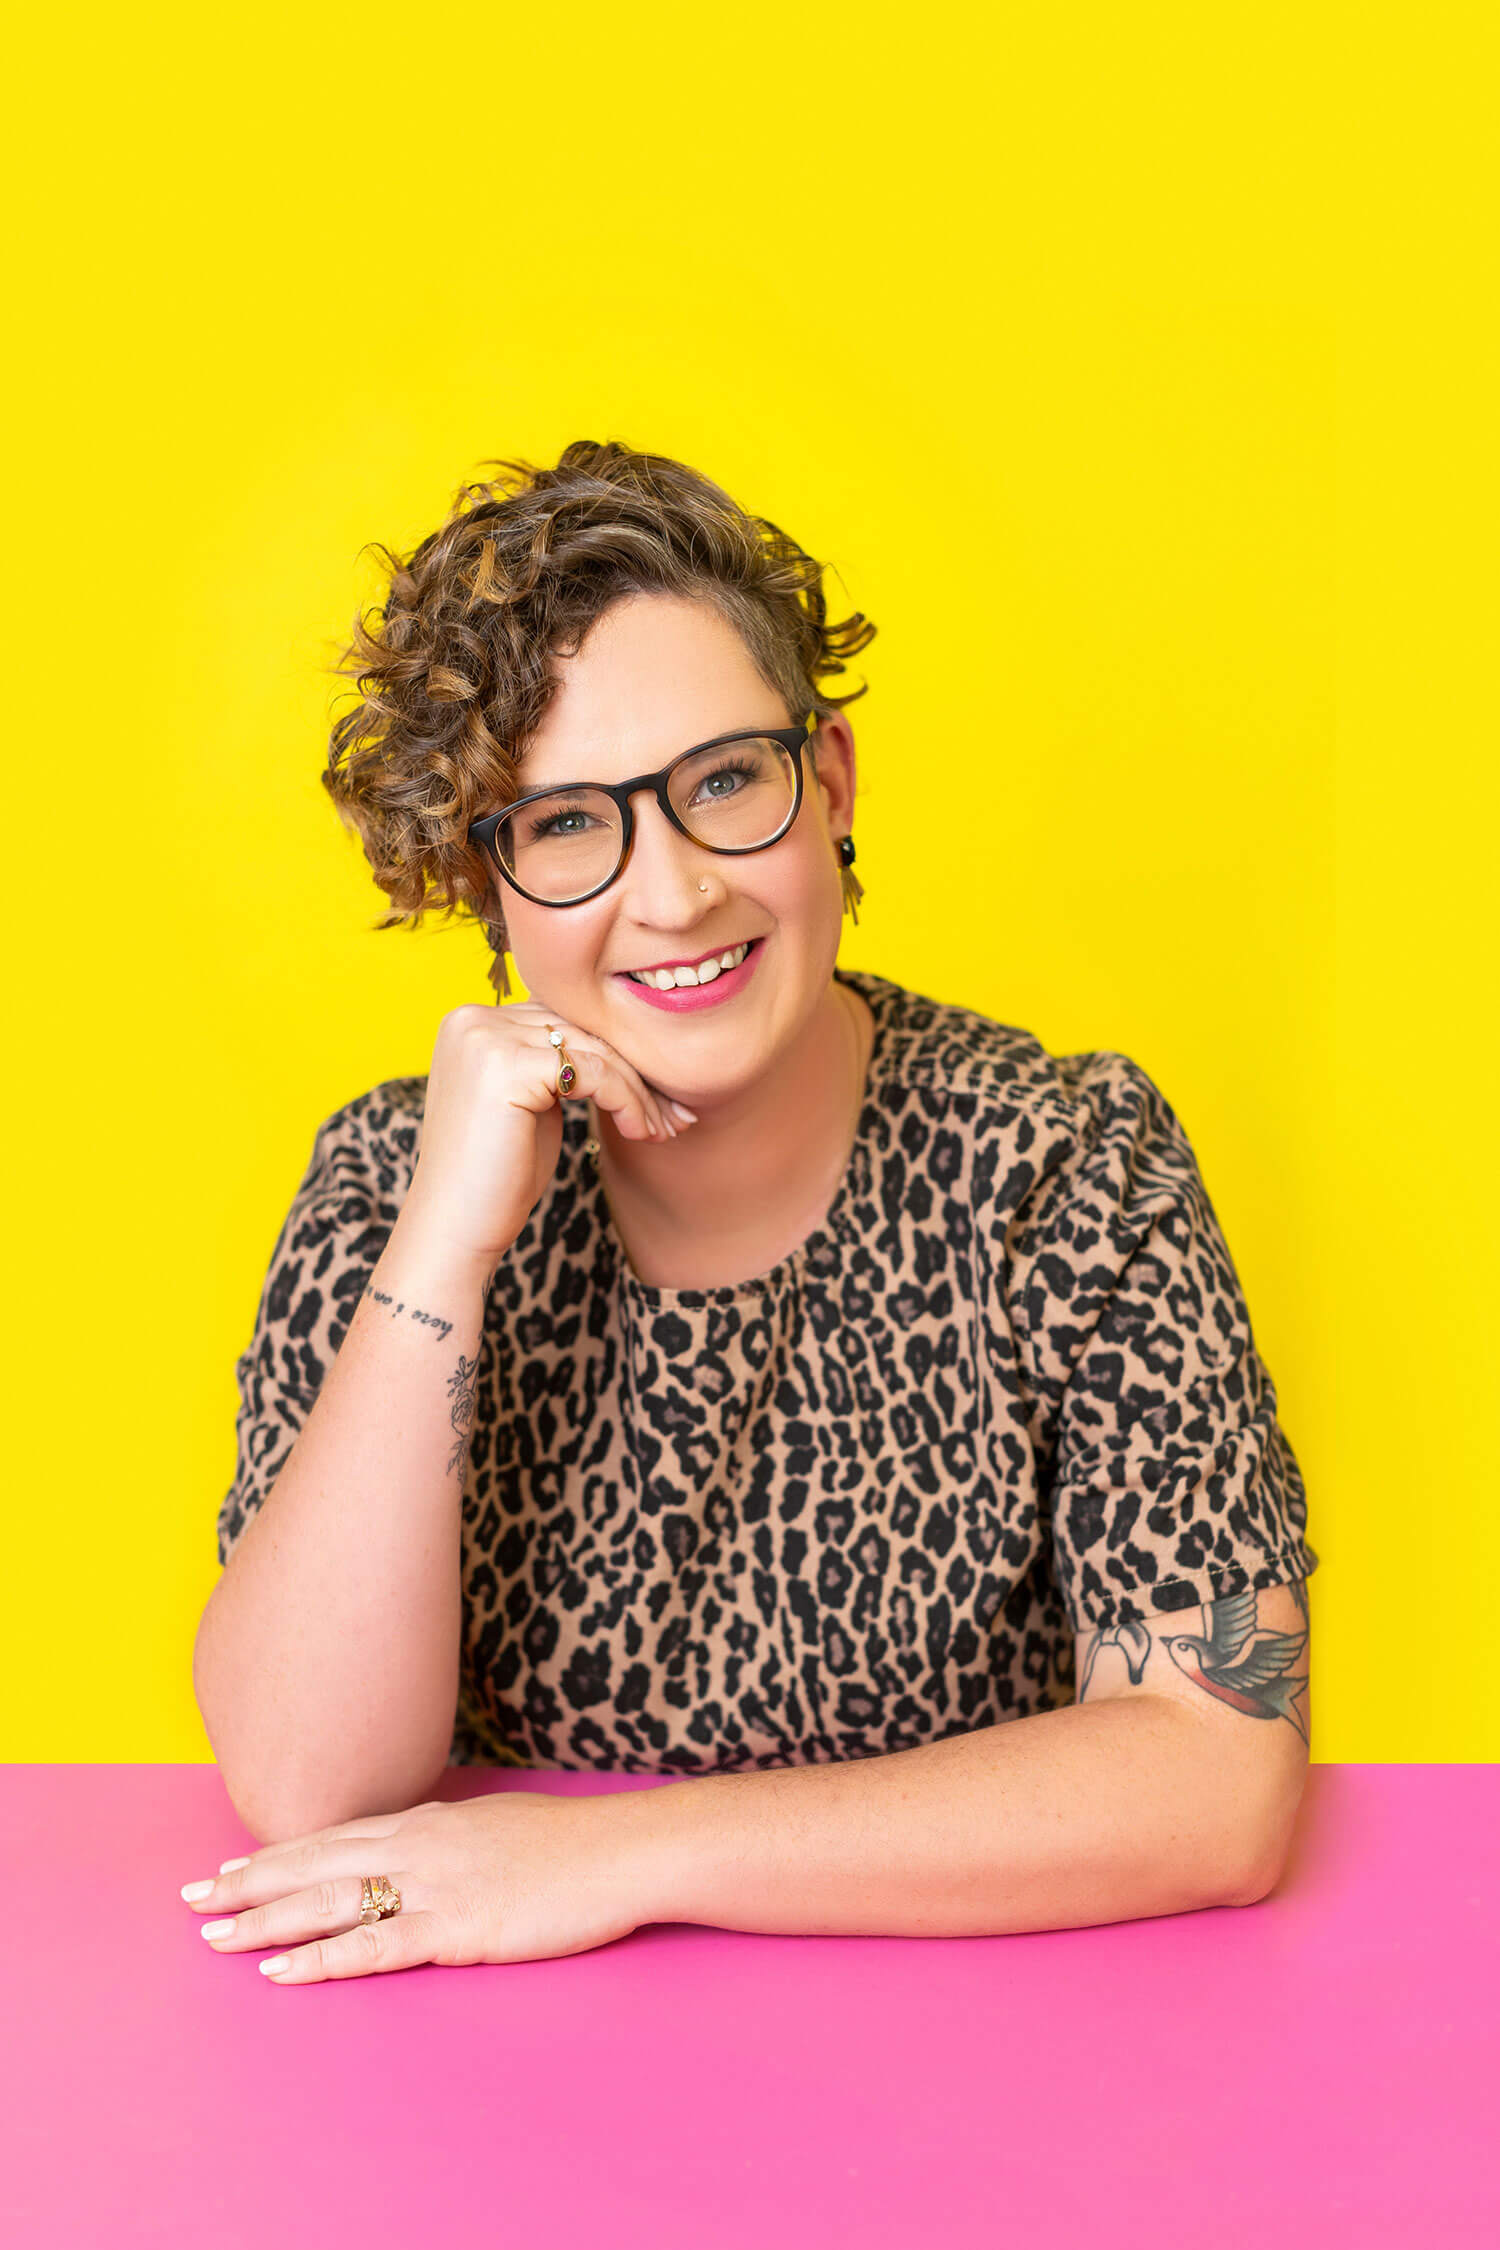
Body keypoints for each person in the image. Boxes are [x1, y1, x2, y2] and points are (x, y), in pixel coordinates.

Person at [190, 439, 1319, 1965]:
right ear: (491, 885)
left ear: (829, 781)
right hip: (495, 2109)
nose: (673, 895)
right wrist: (443, 1252)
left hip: (970, 2084)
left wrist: (609, 1856)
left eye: (726, 782)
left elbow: (1215, 1778)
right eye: (572, 823)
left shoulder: (1067, 1172)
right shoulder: (392, 1184)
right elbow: (309, 1781)